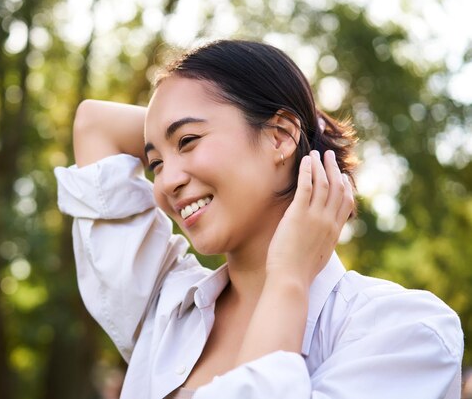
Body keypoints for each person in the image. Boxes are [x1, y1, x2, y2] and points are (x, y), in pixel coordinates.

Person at [55, 40, 463, 399]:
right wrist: (184, 124)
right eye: (156, 162)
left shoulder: (405, 333)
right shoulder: (166, 304)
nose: (167, 182)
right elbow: (95, 123)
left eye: (188, 141)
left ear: (280, 137)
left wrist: (288, 278)